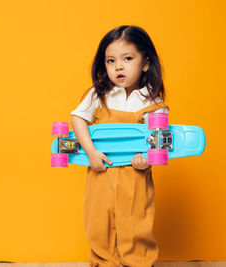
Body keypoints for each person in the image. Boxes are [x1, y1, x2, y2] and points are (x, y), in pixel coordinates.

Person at [71, 25, 168, 267]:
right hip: (101, 169)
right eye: (111, 60)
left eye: (127, 58)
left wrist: (146, 158)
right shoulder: (98, 94)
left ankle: (138, 263)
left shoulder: (152, 102)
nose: (118, 66)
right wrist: (91, 152)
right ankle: (103, 262)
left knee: (135, 222)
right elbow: (77, 119)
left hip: (134, 173)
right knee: (98, 221)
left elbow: (157, 140)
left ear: (145, 63)